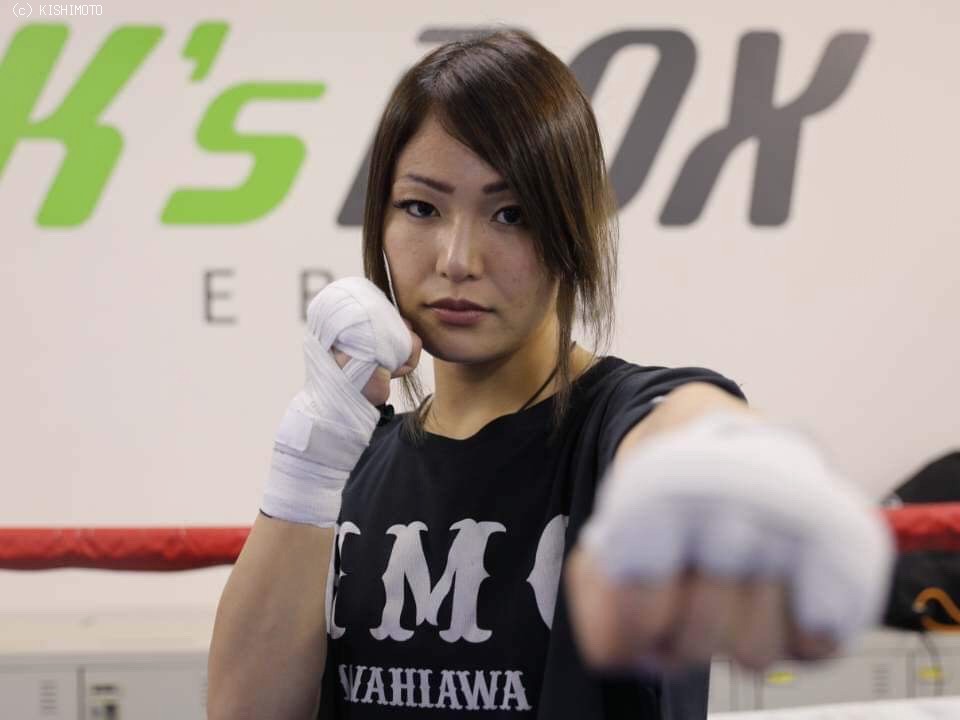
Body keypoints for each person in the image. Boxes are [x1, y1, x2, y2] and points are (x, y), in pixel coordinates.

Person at [207, 29, 893, 720]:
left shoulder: (614, 424)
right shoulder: (350, 464)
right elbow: (242, 711)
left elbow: (681, 423)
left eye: (511, 215)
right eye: (422, 208)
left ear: (571, 229)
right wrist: (310, 464)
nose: (457, 259)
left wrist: (735, 462)